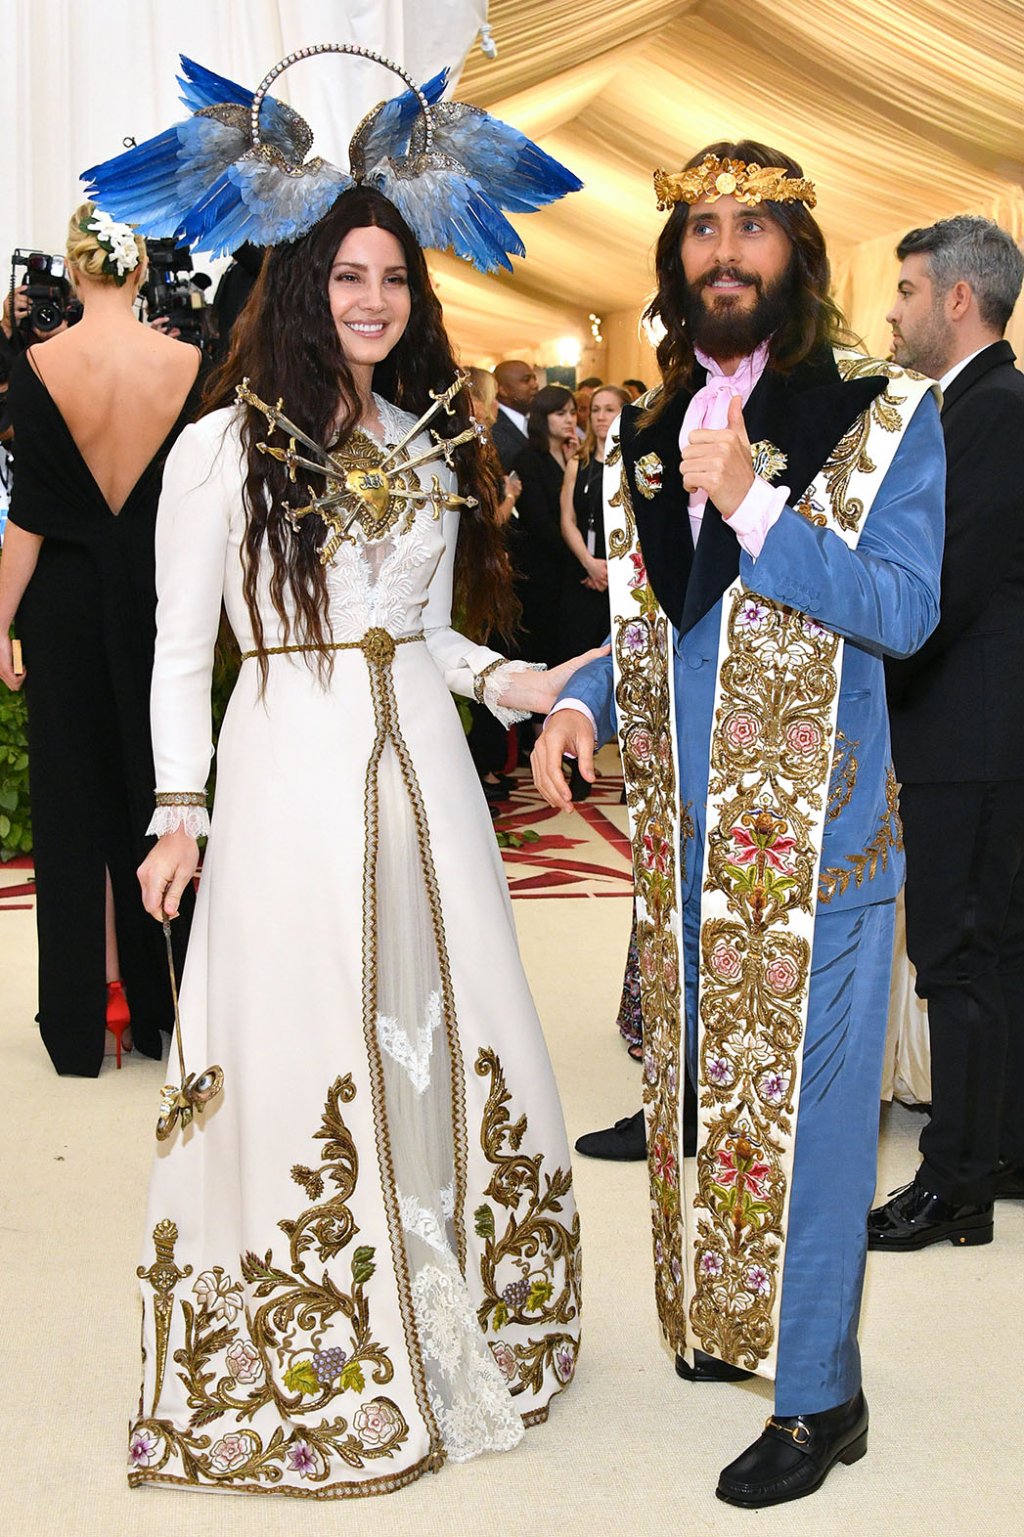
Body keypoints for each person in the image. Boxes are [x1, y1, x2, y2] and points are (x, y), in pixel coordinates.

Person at [128, 185, 594, 1495]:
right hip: (291, 776)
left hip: (432, 784)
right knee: (306, 1029)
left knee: (445, 1021)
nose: (375, 299)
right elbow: (178, 653)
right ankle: (324, 1331)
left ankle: (450, 1291)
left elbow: (432, 640)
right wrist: (179, 811)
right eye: (347, 276)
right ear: (299, 291)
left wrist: (525, 685)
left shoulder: (430, 440)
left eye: (394, 276)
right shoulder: (219, 451)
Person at [534, 140, 945, 1507]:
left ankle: (823, 1397)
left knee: (820, 1126)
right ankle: (730, 1321)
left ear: (797, 259)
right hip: (684, 851)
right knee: (715, 1113)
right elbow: (653, 624)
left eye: (753, 230)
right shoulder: (639, 440)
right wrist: (585, 701)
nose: (725, 250)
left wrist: (757, 504)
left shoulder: (887, 418)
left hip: (823, 853)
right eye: (703, 227)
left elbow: (901, 610)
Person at [0, 203, 200, 1075]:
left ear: (75, 274)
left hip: (63, 599)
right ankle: (167, 1016)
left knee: (71, 804)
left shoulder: (43, 361)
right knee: (159, 794)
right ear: (141, 271)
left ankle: (79, 1031)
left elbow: (30, 522)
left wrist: (0, 619)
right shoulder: (188, 362)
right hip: (159, 593)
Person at [868, 216, 1024, 1251]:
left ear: (957, 300)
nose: (894, 308)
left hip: (969, 730)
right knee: (992, 952)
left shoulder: (990, 412)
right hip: (977, 725)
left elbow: (942, 589)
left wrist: (855, 659)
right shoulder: (970, 405)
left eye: (909, 291)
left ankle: (956, 1181)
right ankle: (995, 1148)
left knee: (957, 956)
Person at [557, 383, 629, 660]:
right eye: (596, 410)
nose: (600, 416)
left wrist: (613, 569)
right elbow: (567, 519)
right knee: (577, 655)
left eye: (609, 410)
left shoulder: (636, 463)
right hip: (583, 572)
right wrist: (589, 563)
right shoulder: (579, 460)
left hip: (622, 576)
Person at [511, 383, 578, 669]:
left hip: (569, 566)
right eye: (560, 413)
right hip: (542, 567)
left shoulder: (572, 455)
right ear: (543, 417)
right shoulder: (528, 459)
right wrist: (580, 559)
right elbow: (538, 522)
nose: (570, 420)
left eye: (573, 413)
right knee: (546, 647)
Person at [491, 358, 537, 470]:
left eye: (534, 378)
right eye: (526, 380)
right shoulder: (493, 426)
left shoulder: (538, 420)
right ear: (502, 390)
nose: (535, 385)